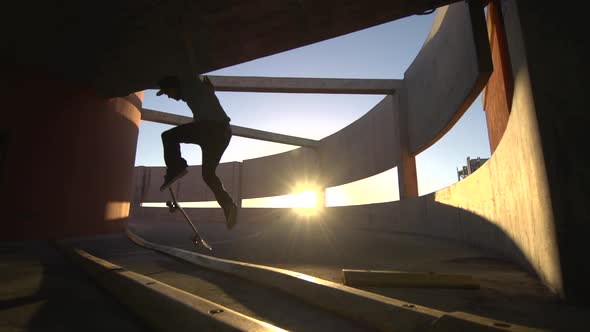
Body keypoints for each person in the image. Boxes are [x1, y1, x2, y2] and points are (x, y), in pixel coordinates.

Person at [156, 75, 237, 230]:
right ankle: (229, 206)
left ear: (174, 86)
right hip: (221, 134)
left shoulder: (190, 84)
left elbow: (189, 69)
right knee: (208, 174)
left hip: (212, 129)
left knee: (168, 136)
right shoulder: (197, 94)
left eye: (168, 93)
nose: (170, 97)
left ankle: (176, 167)